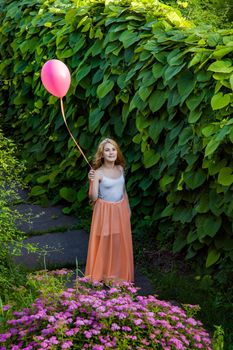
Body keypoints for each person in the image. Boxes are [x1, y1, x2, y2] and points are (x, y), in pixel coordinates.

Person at [85, 138, 134, 283]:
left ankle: (116, 274)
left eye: (113, 149)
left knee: (118, 243)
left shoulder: (120, 169)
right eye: (107, 150)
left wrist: (128, 209)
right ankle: (102, 274)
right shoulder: (98, 173)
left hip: (120, 210)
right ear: (102, 154)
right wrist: (92, 180)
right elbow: (93, 197)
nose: (111, 152)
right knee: (105, 242)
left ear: (117, 152)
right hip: (105, 212)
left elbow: (124, 191)